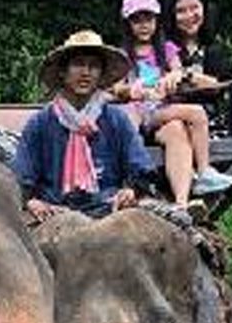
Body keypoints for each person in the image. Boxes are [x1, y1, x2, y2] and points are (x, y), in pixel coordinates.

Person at [10, 31, 156, 221]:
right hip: (53, 211)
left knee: (173, 220)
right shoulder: (40, 123)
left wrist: (130, 190)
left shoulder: (116, 119)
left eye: (93, 66)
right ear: (63, 72)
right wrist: (30, 201)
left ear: (101, 74)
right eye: (78, 64)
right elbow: (22, 176)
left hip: (109, 207)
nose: (85, 72)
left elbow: (140, 166)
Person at [114, 0, 232, 207]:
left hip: (160, 111)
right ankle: (130, 179)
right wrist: (130, 90)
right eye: (137, 20)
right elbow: (115, 87)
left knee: (182, 125)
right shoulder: (123, 54)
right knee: (135, 121)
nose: (143, 25)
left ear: (157, 21)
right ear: (128, 24)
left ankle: (184, 199)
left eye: (148, 19)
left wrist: (172, 77)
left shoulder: (167, 49)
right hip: (137, 111)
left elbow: (178, 71)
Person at [164, 0, 232, 90]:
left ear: (204, 9)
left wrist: (186, 75)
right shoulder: (163, 50)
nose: (189, 16)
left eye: (194, 8)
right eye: (181, 11)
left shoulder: (216, 50)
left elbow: (221, 86)